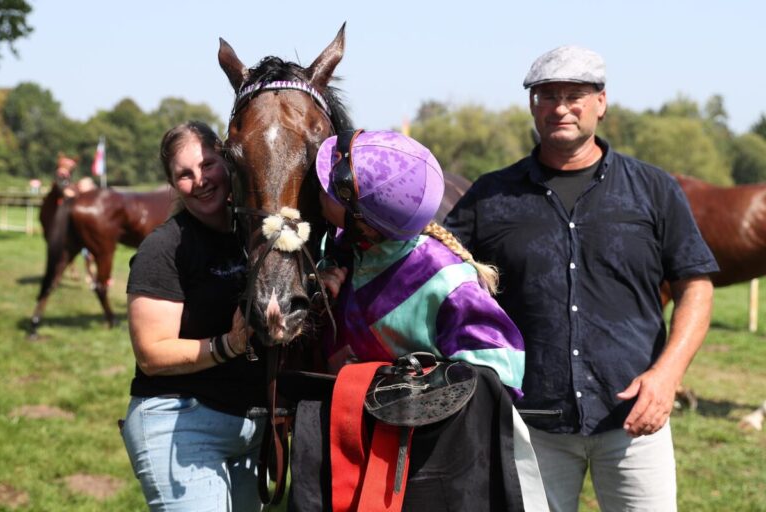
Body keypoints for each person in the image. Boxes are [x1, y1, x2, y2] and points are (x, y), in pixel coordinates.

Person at [444, 45, 718, 512]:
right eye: (547, 96)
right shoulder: (491, 195)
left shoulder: (653, 189)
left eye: (575, 94)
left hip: (634, 417)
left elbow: (696, 284)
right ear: (533, 106)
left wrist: (667, 376)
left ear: (601, 103)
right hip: (531, 425)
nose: (561, 107)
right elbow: (434, 269)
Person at [295, 129, 548, 511]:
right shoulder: (346, 247)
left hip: (422, 462)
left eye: (330, 186)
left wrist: (391, 382)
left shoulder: (442, 275)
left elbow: (501, 367)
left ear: (364, 220)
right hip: (350, 443)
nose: (319, 185)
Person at [120, 121, 268, 511]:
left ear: (227, 162)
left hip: (251, 428)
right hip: (181, 421)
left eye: (207, 164)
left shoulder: (252, 236)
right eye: (184, 174)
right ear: (173, 184)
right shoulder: (164, 248)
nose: (200, 180)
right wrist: (228, 345)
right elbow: (152, 355)